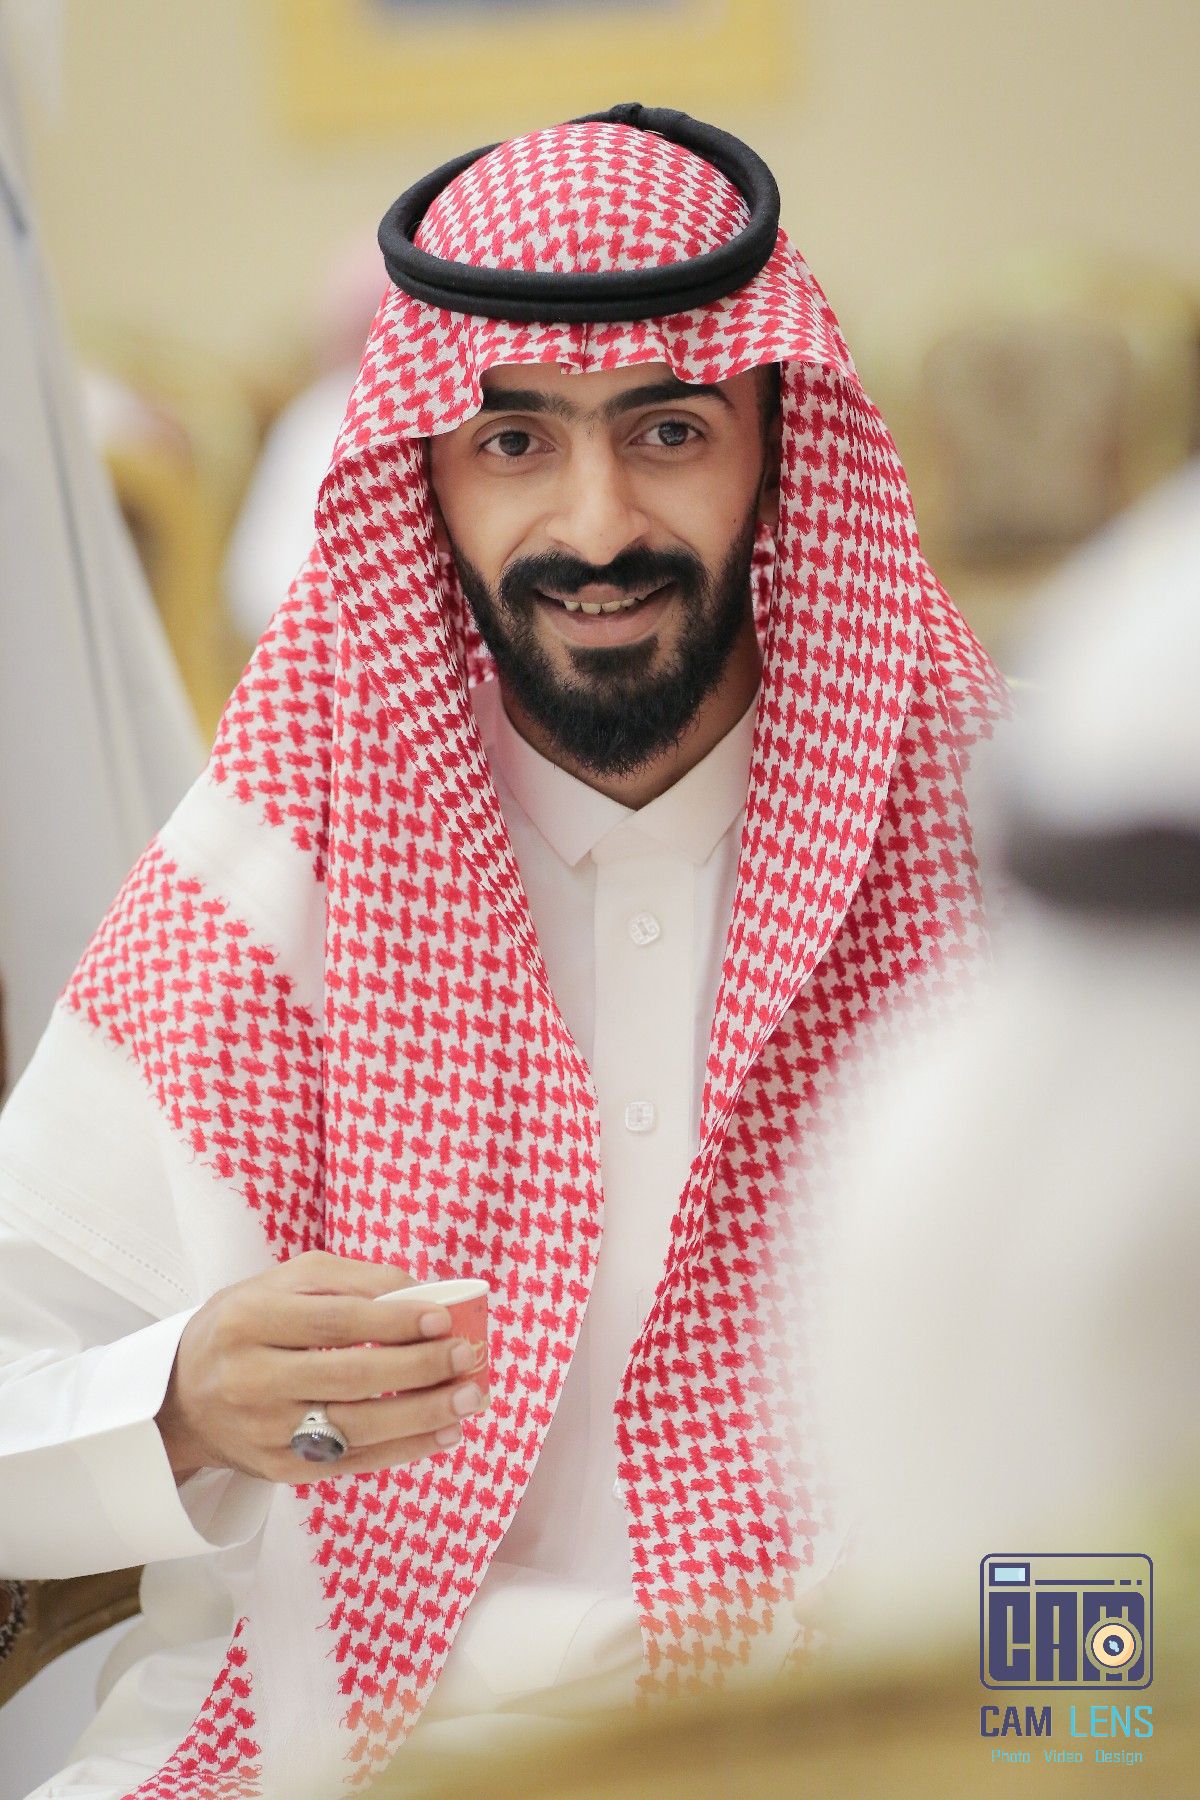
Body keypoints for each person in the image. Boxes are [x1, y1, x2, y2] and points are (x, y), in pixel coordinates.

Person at [0, 105, 1006, 1798]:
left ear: (779, 443)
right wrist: (180, 1399)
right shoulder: (279, 863)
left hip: (871, 1741)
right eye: (515, 439)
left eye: (669, 429)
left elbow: (1138, 1410)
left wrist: (1068, 1740)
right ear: (428, 471)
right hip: (345, 1744)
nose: (597, 527)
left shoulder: (1006, 842)